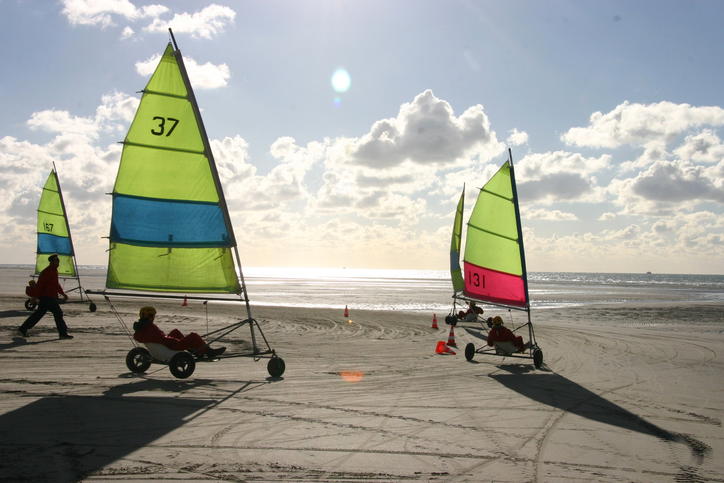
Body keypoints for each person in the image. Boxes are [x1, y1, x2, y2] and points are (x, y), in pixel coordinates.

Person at [132, 306, 226, 358]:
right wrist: (169, 339)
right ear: (150, 316)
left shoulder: (141, 328)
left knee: (175, 332)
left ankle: (193, 349)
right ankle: (208, 351)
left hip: (164, 344)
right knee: (194, 336)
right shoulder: (149, 327)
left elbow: (142, 337)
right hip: (171, 346)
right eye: (152, 316)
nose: (153, 318)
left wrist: (166, 338)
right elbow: (159, 338)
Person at [18, 254, 73, 339]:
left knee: (39, 314)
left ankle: (23, 328)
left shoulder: (54, 271)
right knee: (58, 313)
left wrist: (62, 293)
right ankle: (62, 333)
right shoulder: (47, 272)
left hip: (50, 297)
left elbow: (56, 284)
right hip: (47, 297)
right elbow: (40, 285)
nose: (58, 261)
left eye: (58, 260)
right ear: (51, 262)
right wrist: (35, 297)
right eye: (56, 260)